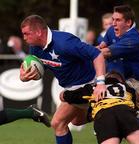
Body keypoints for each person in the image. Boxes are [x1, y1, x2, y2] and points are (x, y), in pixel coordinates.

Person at [19, 15, 106, 144]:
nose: (24, 38)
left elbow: (97, 54)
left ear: (38, 32)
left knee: (58, 123)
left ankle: (107, 112)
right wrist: (24, 76)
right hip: (72, 87)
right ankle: (105, 112)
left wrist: (100, 83)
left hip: (88, 83)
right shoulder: (35, 48)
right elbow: (40, 68)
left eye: (27, 34)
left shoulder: (64, 42)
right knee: (77, 121)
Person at [97, 5, 139, 143]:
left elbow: (105, 53)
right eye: (113, 19)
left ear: (128, 22)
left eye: (117, 20)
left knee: (123, 104)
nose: (113, 23)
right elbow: (101, 47)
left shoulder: (134, 39)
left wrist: (79, 52)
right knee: (120, 103)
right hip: (128, 78)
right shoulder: (112, 31)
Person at [60, 72, 139, 144]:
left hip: (104, 115)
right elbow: (136, 107)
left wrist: (64, 95)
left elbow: (70, 96)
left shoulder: (93, 88)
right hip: (125, 112)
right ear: (121, 81)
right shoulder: (128, 89)